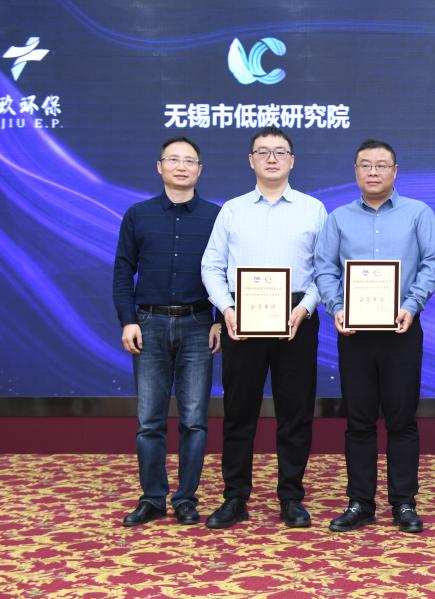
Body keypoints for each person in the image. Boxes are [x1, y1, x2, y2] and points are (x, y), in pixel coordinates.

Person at [200, 127, 327, 529]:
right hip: (243, 318)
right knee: (239, 412)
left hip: (296, 318)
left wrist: (305, 307)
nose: (272, 158)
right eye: (263, 152)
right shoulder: (232, 210)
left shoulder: (313, 209)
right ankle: (235, 497)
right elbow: (211, 266)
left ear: (292, 160)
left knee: (295, 411)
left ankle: (291, 497)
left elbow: (325, 269)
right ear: (250, 160)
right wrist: (227, 308)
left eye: (280, 152)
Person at [314, 139, 435, 534]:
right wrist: (337, 307)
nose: (373, 172)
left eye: (381, 165)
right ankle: (360, 502)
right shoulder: (338, 218)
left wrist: (412, 304)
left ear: (395, 171)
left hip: (402, 328)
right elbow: (324, 268)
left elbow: (432, 263)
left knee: (402, 420)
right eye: (365, 165)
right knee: (359, 420)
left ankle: (404, 502)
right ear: (355, 171)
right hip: (354, 332)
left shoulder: (418, 213)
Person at [113, 136, 221, 526]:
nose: (181, 166)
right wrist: (128, 319)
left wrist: (220, 319)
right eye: (173, 159)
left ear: (199, 170)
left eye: (189, 160)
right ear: (159, 167)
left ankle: (186, 498)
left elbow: (227, 272)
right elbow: (123, 271)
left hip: (198, 325)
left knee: (194, 419)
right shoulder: (138, 215)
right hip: (149, 324)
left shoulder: (216, 216)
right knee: (149, 421)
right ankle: (152, 498)